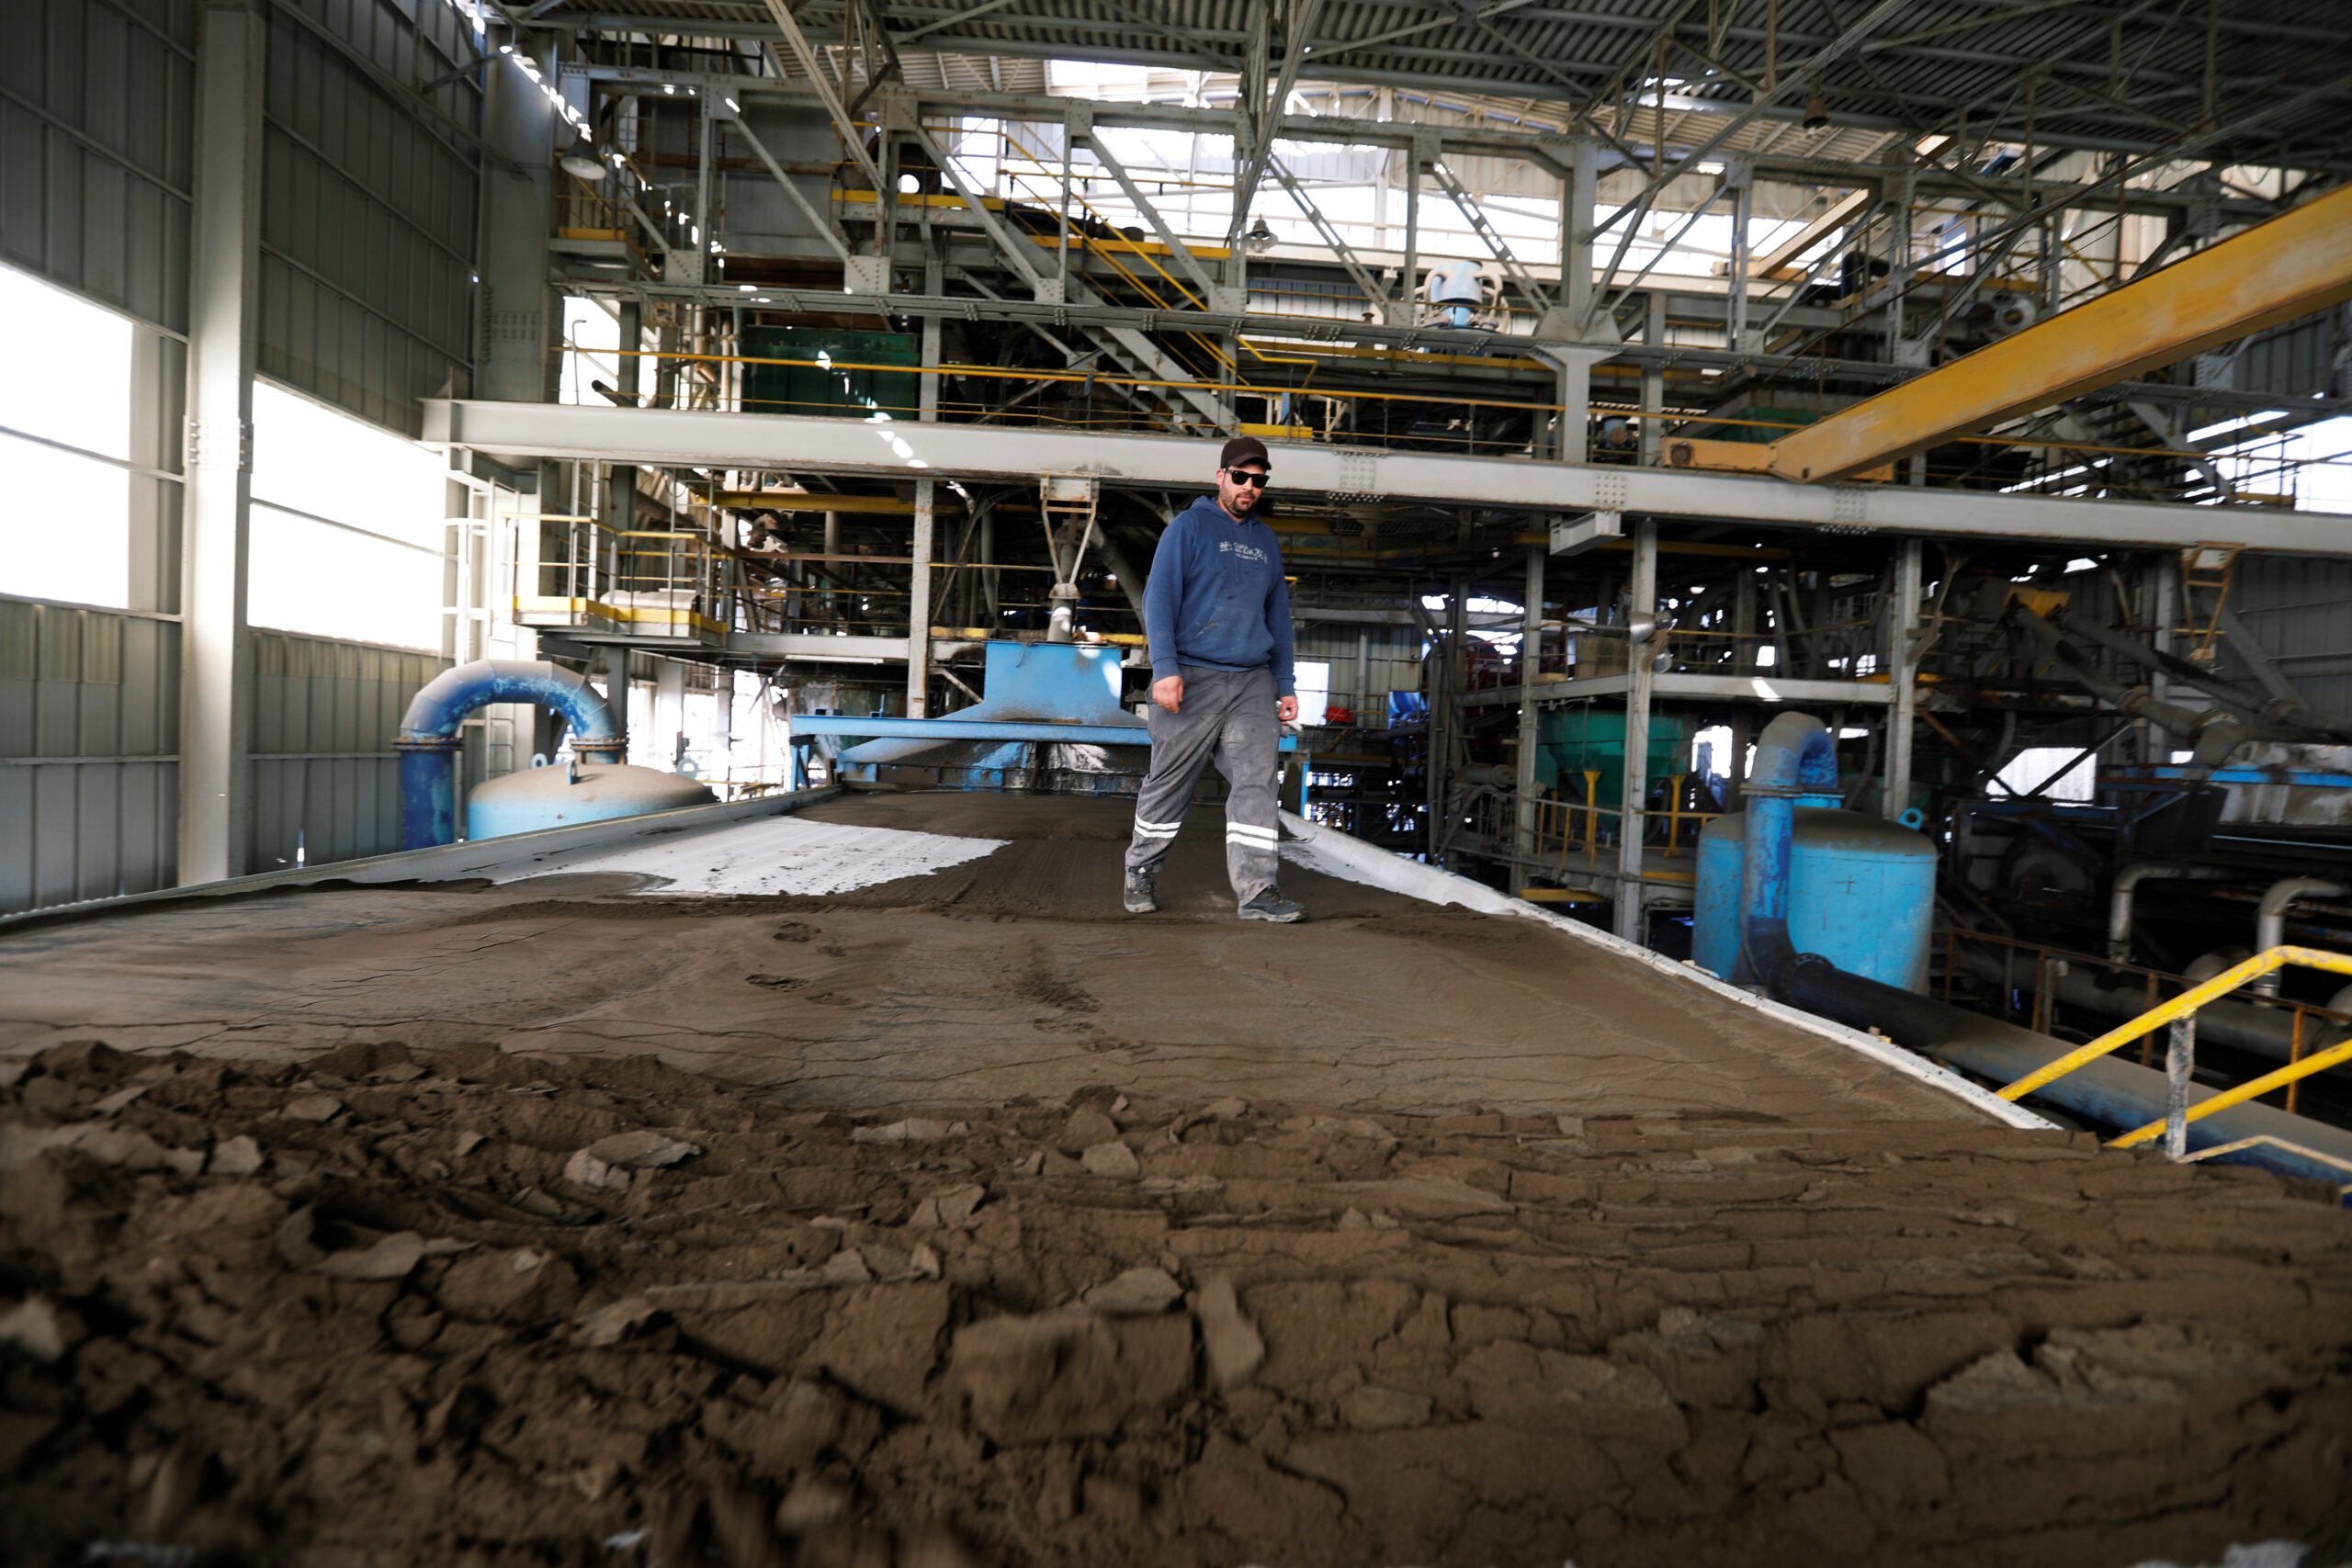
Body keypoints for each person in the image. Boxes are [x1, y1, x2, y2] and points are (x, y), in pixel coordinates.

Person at [1122, 435, 1306, 923]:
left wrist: (1285, 683)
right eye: (1241, 477)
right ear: (1221, 476)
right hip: (1191, 673)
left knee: (1258, 780)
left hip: (1251, 679)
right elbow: (1158, 600)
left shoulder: (1265, 542)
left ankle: (1258, 890)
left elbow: (1278, 616)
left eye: (1259, 480)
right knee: (1170, 781)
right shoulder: (1189, 528)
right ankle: (1140, 868)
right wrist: (1165, 669)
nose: (1250, 487)